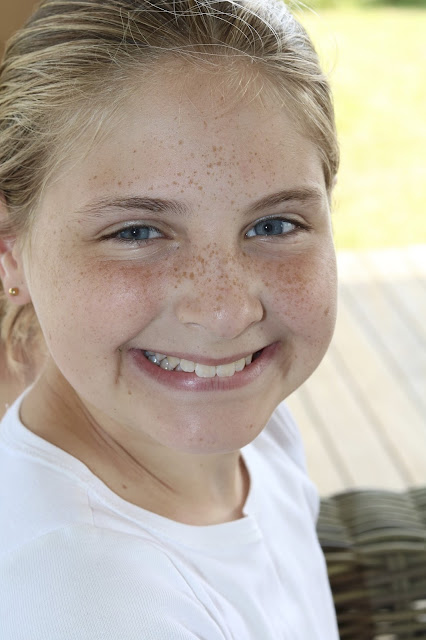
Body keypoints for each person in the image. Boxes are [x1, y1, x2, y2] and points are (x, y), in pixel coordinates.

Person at [0, 0, 340, 637]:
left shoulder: (256, 426)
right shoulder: (89, 606)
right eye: (136, 232)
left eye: (274, 225)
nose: (226, 312)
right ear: (9, 250)